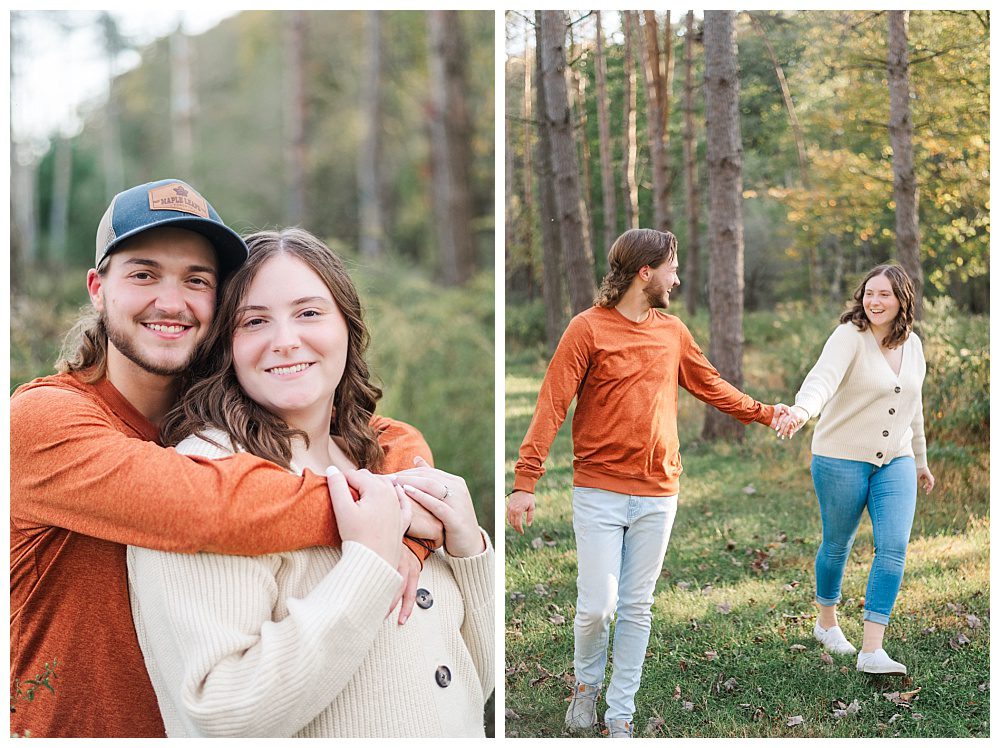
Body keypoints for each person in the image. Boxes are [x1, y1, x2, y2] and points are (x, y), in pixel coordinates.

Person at [10, 180, 441, 738]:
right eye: (143, 274)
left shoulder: (217, 401)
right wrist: (388, 513)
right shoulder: (42, 421)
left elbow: (378, 433)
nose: (171, 301)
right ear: (97, 287)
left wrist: (408, 514)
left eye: (197, 280)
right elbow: (204, 507)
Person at [127, 228, 493, 738]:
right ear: (223, 347)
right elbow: (220, 713)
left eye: (309, 313)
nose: (285, 340)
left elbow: (464, 681)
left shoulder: (377, 460)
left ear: (347, 324)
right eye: (254, 321)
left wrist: (470, 550)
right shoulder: (203, 479)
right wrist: (367, 566)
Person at [506, 228, 787, 738]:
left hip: (659, 493)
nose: (676, 278)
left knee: (637, 607)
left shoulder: (672, 331)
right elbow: (552, 403)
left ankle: (621, 714)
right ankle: (585, 688)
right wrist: (526, 480)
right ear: (645, 272)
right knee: (597, 607)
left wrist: (767, 414)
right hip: (599, 490)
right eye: (671, 268)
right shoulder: (587, 329)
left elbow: (711, 385)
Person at [775, 264, 935, 675]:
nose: (874, 301)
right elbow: (821, 381)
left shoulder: (912, 345)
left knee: (894, 546)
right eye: (869, 293)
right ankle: (826, 623)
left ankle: (871, 650)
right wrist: (800, 411)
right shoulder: (850, 336)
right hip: (840, 456)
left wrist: (920, 460)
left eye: (884, 294)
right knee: (837, 544)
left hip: (895, 459)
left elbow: (912, 407)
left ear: (902, 300)